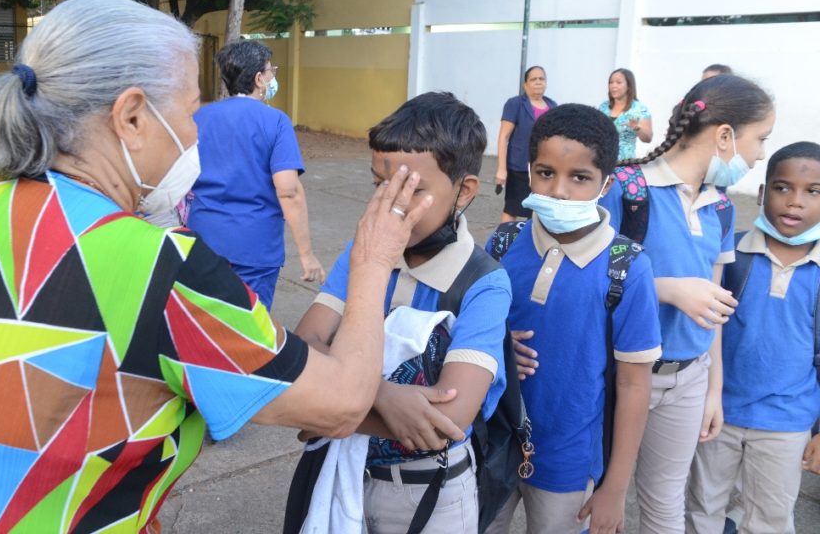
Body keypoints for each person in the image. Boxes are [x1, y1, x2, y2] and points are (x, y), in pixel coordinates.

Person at [0, 0, 431, 534]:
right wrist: (374, 258)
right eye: (190, 111)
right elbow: (341, 402)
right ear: (133, 116)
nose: (195, 135)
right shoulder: (159, 268)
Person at [294, 92, 511, 532]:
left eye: (411, 189)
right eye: (380, 185)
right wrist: (383, 395)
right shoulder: (363, 251)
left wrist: (329, 405)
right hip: (346, 477)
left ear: (465, 190)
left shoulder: (484, 283)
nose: (390, 205)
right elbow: (302, 348)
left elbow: (445, 423)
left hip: (432, 492)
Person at [601, 74, 775, 533]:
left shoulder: (722, 208)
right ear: (725, 135)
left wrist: (713, 390)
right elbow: (589, 280)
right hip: (616, 375)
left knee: (666, 506)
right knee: (593, 498)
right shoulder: (627, 189)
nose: (760, 154)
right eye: (760, 139)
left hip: (689, 377)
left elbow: (712, 311)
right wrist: (667, 288)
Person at [484, 104, 660, 534]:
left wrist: (615, 486)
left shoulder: (627, 268)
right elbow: (469, 330)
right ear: (529, 170)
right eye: (546, 173)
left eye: (579, 178)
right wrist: (496, 343)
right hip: (491, 441)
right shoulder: (502, 244)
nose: (559, 191)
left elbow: (634, 384)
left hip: (568, 459)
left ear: (606, 184)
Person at [686, 141, 820, 533]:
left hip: (787, 422)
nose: (795, 201)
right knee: (701, 509)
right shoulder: (732, 254)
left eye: (813, 192)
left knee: (769, 519)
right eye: (782, 187)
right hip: (719, 414)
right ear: (762, 193)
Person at [187, 40, 324, 310]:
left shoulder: (200, 117)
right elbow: (289, 191)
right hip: (254, 248)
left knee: (204, 322)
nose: (273, 77)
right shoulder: (276, 121)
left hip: (202, 241)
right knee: (250, 325)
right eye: (271, 71)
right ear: (259, 79)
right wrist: (306, 254)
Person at [496, 66, 558, 222]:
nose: (538, 82)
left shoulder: (552, 106)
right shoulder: (515, 104)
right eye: (533, 79)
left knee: (538, 211)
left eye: (541, 79)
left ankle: (530, 237)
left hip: (544, 169)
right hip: (519, 167)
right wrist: (502, 169)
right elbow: (503, 137)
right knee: (512, 208)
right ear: (525, 85)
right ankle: (503, 237)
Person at [598, 68, 652, 161]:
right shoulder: (603, 106)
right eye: (611, 82)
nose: (613, 86)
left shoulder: (639, 109)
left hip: (624, 163)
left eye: (618, 82)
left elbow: (648, 138)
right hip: (602, 161)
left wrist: (636, 127)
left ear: (629, 86)